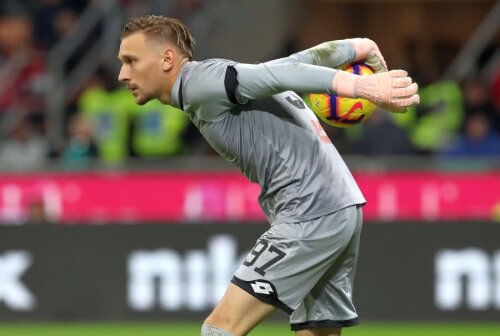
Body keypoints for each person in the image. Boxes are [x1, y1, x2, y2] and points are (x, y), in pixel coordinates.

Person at [117, 15, 419, 336]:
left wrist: (363, 86)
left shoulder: (197, 83)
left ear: (167, 59)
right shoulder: (217, 82)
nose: (123, 74)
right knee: (318, 330)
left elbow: (281, 72)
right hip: (341, 205)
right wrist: (357, 47)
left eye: (131, 61)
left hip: (308, 212)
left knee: (219, 329)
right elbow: (291, 65)